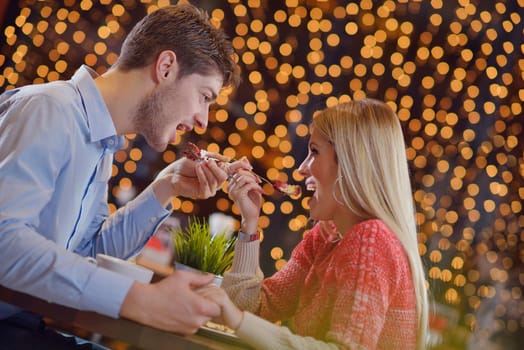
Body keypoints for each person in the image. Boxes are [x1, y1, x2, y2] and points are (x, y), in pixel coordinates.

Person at [0, 3, 246, 348]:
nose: (203, 119)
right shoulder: (50, 109)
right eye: (204, 97)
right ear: (166, 67)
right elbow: (4, 245)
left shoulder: (100, 145)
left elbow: (88, 254)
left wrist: (165, 187)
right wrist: (139, 300)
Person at [197, 99, 430, 349]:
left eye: (314, 152)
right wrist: (249, 222)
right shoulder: (326, 237)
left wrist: (239, 319)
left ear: (350, 164)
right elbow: (252, 307)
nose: (301, 169)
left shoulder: (370, 240)